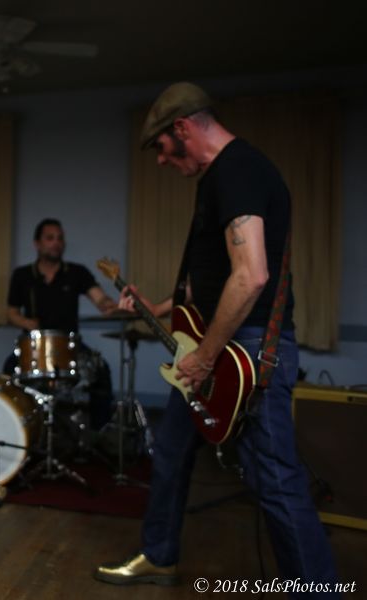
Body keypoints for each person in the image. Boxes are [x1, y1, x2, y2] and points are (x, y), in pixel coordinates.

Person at [94, 82, 338, 596]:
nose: (161, 160)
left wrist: (204, 358)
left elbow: (250, 277)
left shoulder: (239, 170)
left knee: (275, 480)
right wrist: (158, 307)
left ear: (183, 128)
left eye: (162, 147)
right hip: (209, 345)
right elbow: (207, 286)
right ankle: (159, 554)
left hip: (245, 350)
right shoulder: (216, 180)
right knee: (170, 453)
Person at [6, 218, 119, 434]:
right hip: (34, 346)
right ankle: (19, 432)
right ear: (37, 243)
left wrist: (110, 304)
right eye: (50, 238)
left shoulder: (77, 272)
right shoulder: (22, 275)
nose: (56, 243)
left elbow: (100, 299)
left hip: (70, 345)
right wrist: (27, 323)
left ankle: (99, 434)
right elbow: (11, 313)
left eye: (60, 238)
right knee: (8, 370)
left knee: (101, 371)